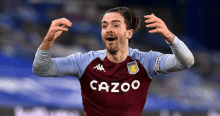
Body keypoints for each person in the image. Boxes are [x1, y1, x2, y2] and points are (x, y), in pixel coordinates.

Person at [33, 7, 194, 116]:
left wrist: (170, 38)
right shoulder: (84, 61)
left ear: (129, 33)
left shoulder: (146, 61)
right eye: (104, 26)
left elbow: (186, 61)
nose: (108, 29)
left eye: (115, 25)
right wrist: (47, 41)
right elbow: (42, 69)